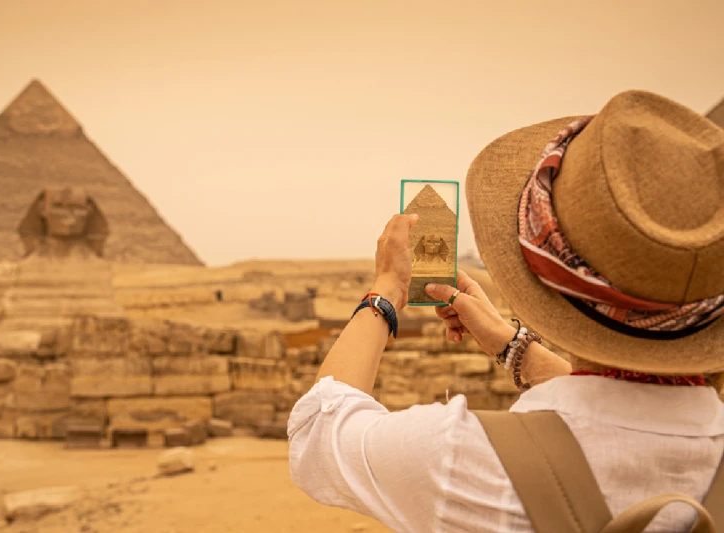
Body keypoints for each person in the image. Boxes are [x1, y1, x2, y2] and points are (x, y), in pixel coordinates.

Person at [287, 90, 724, 533]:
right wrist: (513, 347)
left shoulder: (463, 458)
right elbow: (621, 414)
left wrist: (386, 291)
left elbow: (317, 433)